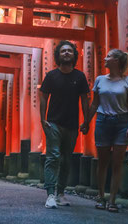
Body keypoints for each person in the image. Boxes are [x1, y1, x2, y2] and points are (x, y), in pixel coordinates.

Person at [80, 49, 128, 213]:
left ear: (117, 61)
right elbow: (94, 104)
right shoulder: (99, 80)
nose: (105, 58)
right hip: (103, 121)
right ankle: (101, 196)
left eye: (109, 56)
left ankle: (112, 200)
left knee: (117, 164)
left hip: (121, 122)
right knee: (103, 162)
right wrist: (86, 122)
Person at [39, 40, 90, 209]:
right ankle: (50, 194)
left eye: (69, 51)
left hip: (72, 124)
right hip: (53, 122)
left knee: (67, 160)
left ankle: (61, 193)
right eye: (63, 51)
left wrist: (87, 121)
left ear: (74, 55)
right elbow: (44, 97)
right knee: (53, 156)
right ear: (58, 55)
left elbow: (84, 100)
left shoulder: (79, 76)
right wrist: (42, 118)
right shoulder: (52, 76)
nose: (66, 53)